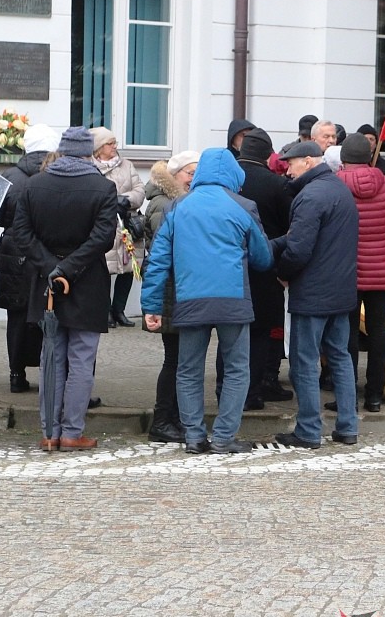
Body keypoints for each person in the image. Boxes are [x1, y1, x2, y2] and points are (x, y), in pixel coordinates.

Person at [142, 148, 272, 455]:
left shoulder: (177, 206)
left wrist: (152, 306)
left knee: (188, 370)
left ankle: (194, 438)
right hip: (232, 301)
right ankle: (225, 438)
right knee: (238, 369)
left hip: (190, 300)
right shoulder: (243, 205)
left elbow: (158, 261)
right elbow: (263, 258)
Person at [12, 127, 118, 451]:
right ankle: (72, 432)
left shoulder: (33, 185)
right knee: (82, 360)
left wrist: (51, 268)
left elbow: (21, 233)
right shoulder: (103, 187)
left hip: (47, 283)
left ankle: (49, 433)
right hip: (87, 282)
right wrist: (68, 269)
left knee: (51, 358)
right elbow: (102, 239)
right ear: (88, 152)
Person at [271, 141, 360, 448]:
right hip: (342, 289)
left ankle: (309, 430)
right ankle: (348, 426)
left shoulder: (309, 196)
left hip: (312, 293)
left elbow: (299, 249)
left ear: (308, 162)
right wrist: (278, 243)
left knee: (305, 361)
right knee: (340, 358)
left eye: (291, 164)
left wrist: (281, 271)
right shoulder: (338, 190)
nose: (287, 170)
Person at [335, 133, 385, 412]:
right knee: (378, 333)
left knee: (347, 334)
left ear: (343, 159)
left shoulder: (336, 185)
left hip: (347, 273)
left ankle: (347, 395)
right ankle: (375, 396)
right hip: (380, 272)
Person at [0, 123, 59, 394]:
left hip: (14, 253)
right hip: (45, 253)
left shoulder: (10, 176)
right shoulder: (54, 175)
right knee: (48, 313)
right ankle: (49, 371)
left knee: (16, 315)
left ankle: (16, 374)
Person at [140, 150, 199, 443]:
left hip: (175, 287)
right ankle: (163, 420)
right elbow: (167, 251)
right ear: (174, 175)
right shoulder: (166, 204)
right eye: (190, 172)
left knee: (179, 358)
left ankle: (172, 417)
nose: (194, 178)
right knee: (175, 359)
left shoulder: (176, 201)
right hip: (170, 289)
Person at [235, 129, 294, 406]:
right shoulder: (276, 184)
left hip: (232, 266)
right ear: (268, 154)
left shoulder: (229, 180)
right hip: (266, 268)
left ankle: (231, 390)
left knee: (233, 333)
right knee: (261, 332)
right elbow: (290, 227)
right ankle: (254, 390)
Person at [90, 127, 145, 328]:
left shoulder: (127, 165)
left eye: (114, 142)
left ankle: (118, 310)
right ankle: (104, 311)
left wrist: (126, 200)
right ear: (98, 148)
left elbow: (140, 190)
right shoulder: (90, 167)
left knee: (128, 268)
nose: (115, 146)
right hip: (103, 224)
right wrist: (112, 201)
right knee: (103, 269)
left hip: (126, 224)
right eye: (110, 143)